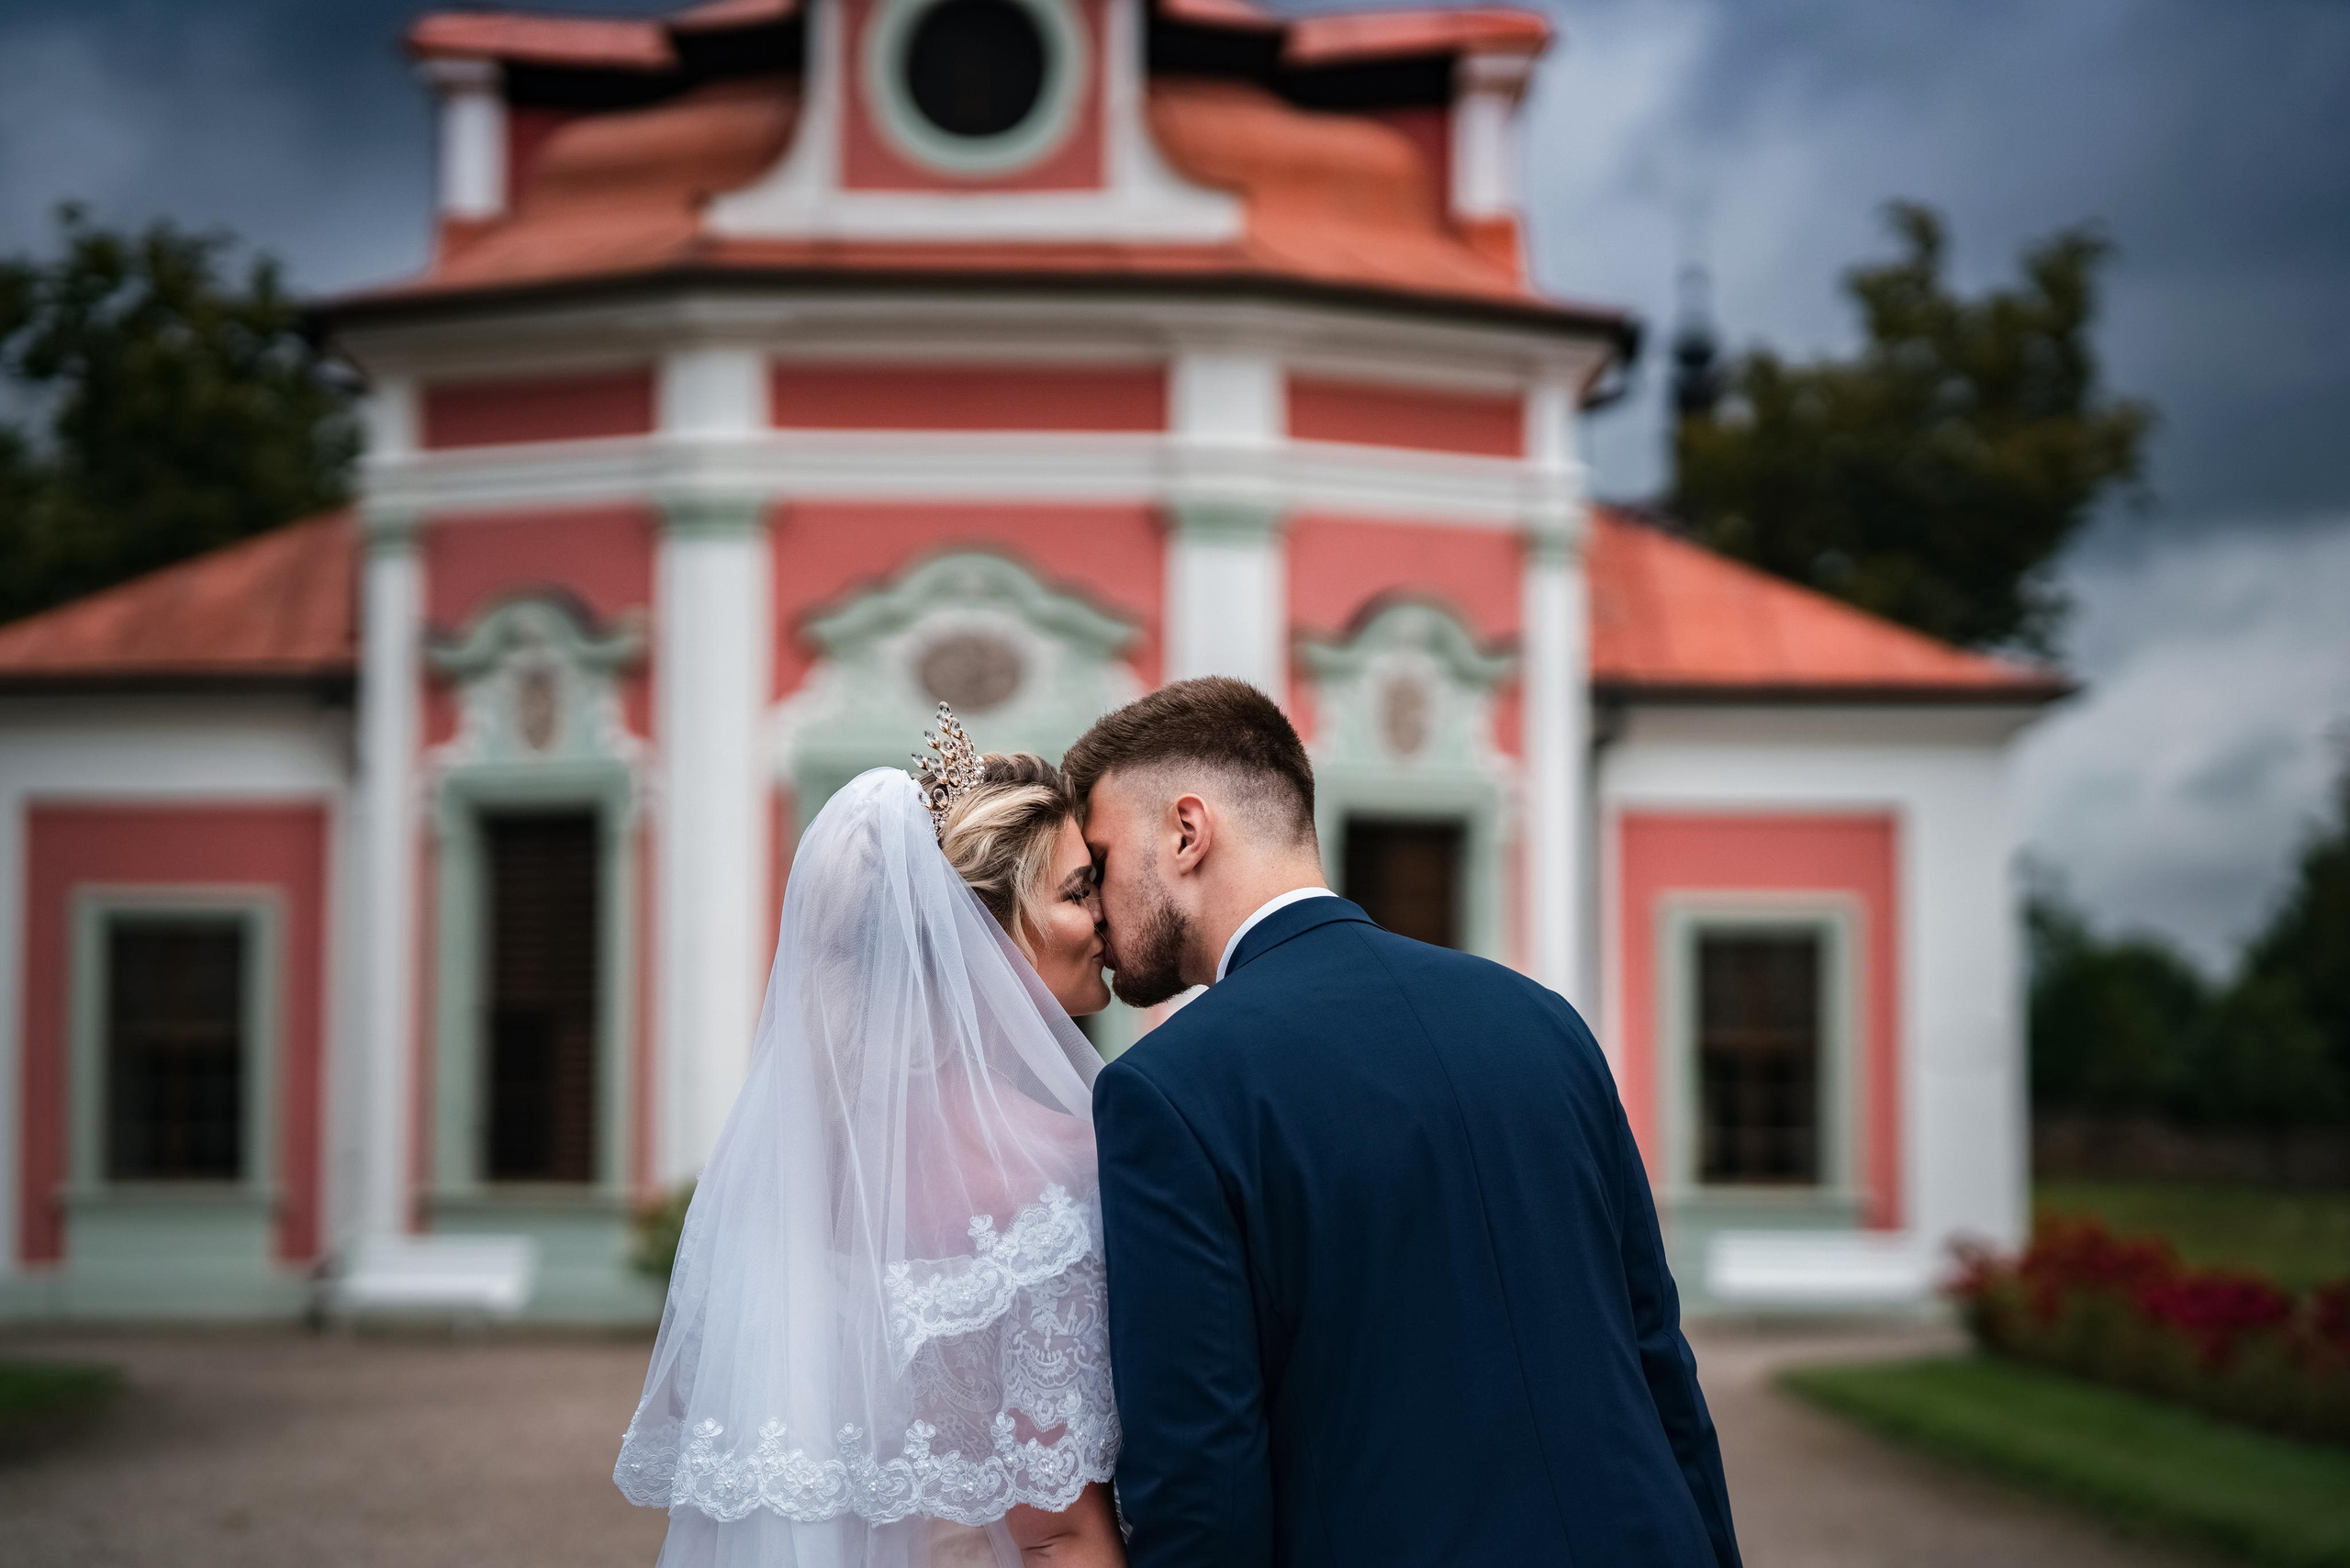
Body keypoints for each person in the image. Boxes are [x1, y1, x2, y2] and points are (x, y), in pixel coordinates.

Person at [1062, 677, 1742, 1568]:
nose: (1098, 914)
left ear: (1186, 832)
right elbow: (1659, 1361)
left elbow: (1200, 1475)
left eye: (1101, 863)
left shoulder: (1169, 1089)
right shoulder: (1541, 1019)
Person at [615, 711, 1125, 1568]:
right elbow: (1060, 1531)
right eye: (1077, 892)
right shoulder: (1062, 1164)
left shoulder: (814, 1164)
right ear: (982, 937)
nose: (1106, 915)